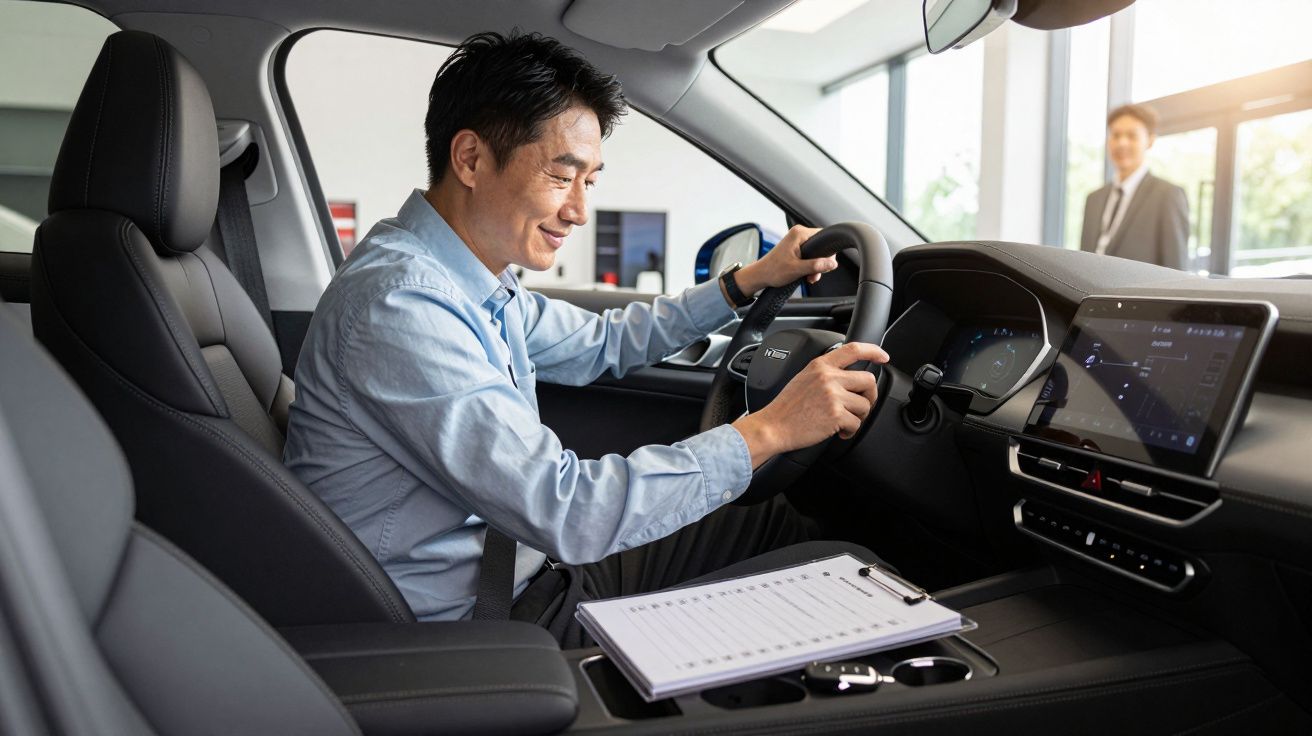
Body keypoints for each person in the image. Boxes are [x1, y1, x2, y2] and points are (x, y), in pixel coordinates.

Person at [283, 30, 889, 646]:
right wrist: (772, 429)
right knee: (842, 577)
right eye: (560, 175)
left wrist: (745, 284)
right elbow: (564, 509)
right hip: (485, 622)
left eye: (590, 181)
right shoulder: (403, 306)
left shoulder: (466, 282)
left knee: (774, 526)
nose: (578, 210)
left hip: (517, 569)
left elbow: (601, 343)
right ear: (470, 159)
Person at [1079, 104, 1190, 270]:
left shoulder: (1168, 195)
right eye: (1116, 135)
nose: (1122, 143)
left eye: (1132, 136)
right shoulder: (1093, 199)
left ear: (1150, 141)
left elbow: (1176, 270)